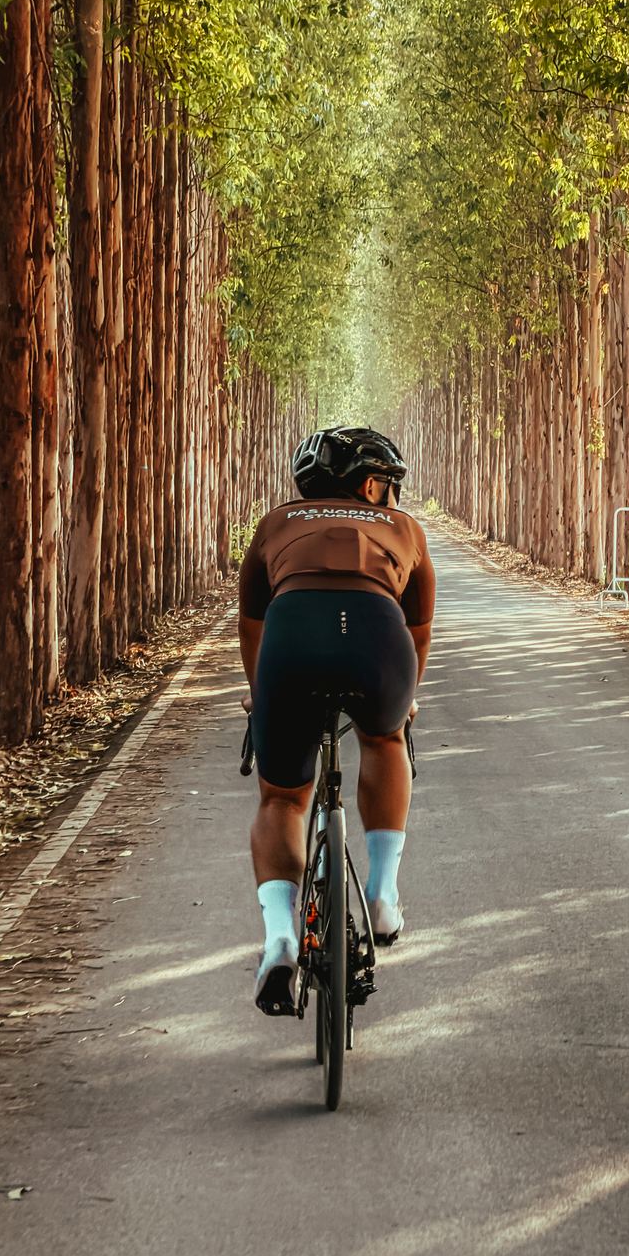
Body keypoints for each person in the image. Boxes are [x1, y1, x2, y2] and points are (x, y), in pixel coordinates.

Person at [237, 427, 435, 1015]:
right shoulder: (405, 530)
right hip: (378, 640)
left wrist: (261, 693)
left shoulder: (275, 524)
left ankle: (279, 934)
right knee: (384, 738)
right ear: (372, 485)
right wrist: (403, 702)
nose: (394, 496)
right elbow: (417, 632)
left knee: (281, 799)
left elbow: (254, 625)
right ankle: (380, 895)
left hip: (289, 640)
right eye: (391, 485)